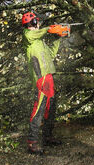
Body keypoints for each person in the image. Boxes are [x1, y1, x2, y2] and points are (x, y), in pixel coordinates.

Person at [21, 12, 68, 154]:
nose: (33, 26)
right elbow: (33, 34)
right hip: (40, 77)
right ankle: (32, 142)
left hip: (49, 76)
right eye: (31, 24)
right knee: (39, 108)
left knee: (50, 108)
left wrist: (57, 38)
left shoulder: (40, 41)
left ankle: (48, 136)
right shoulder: (28, 36)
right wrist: (49, 29)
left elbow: (52, 54)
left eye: (34, 23)